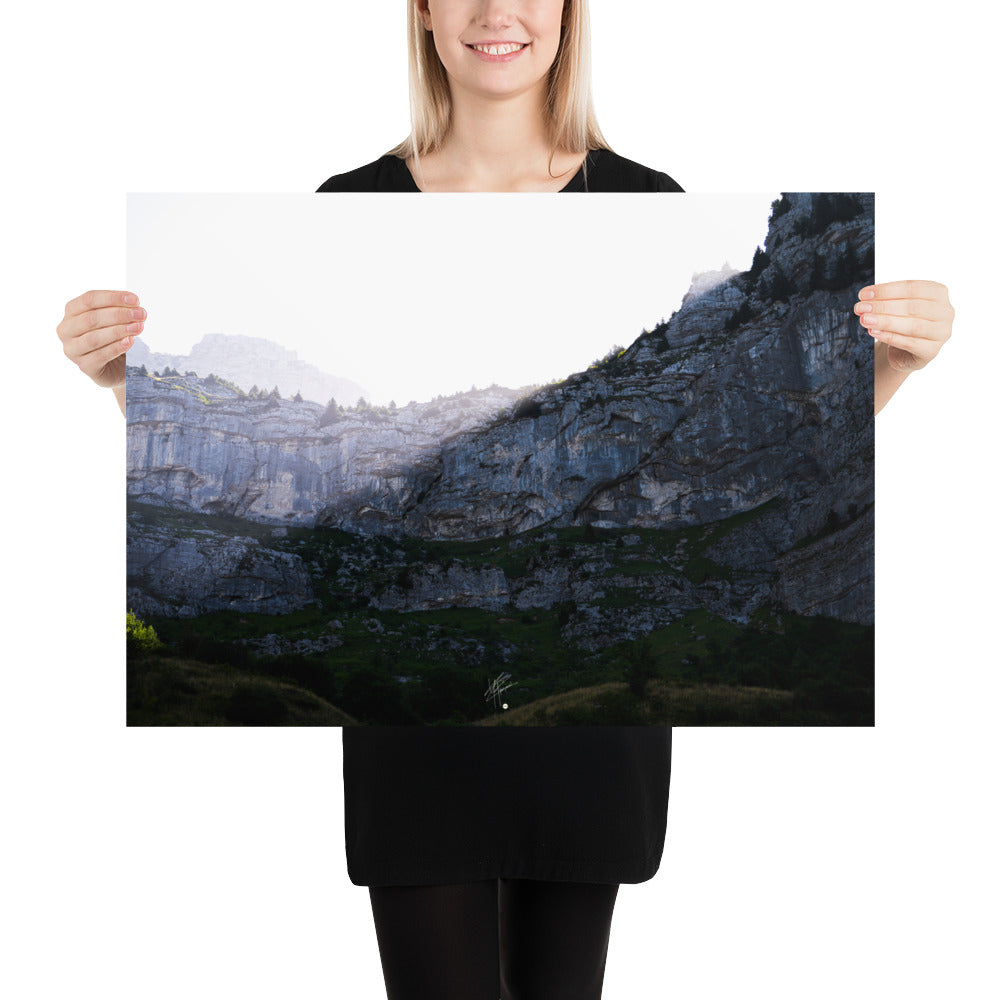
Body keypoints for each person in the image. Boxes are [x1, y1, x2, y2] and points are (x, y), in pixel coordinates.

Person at [55, 2, 954, 997]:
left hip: (590, 746)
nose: (497, 12)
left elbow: (772, 460)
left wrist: (894, 368)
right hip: (412, 750)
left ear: (569, 14)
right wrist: (118, 387)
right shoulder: (343, 203)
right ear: (424, 13)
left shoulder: (645, 197)